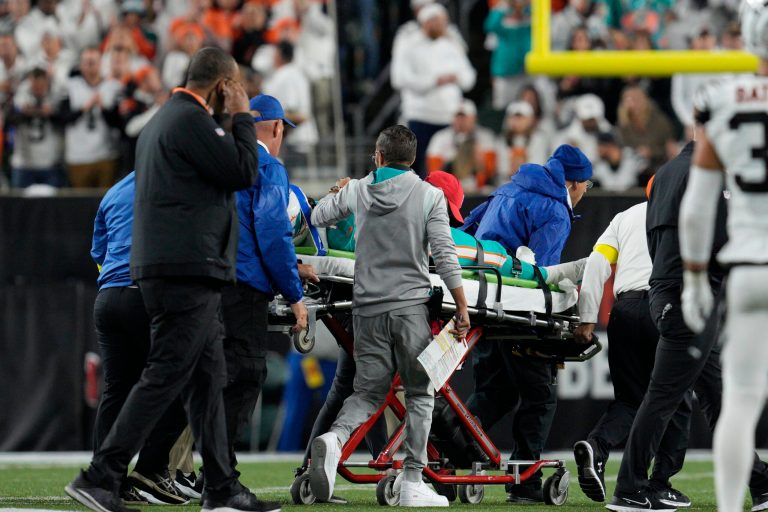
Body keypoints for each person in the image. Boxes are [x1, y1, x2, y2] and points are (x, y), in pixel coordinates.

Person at [64, 47, 278, 512]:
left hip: (174, 268)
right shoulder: (188, 120)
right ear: (223, 87)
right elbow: (243, 171)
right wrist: (244, 119)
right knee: (164, 373)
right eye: (234, 89)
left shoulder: (163, 122)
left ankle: (220, 487)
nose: (237, 97)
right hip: (185, 270)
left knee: (207, 379)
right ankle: (101, 475)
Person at [307, 125, 470, 507]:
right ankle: (413, 479)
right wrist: (461, 306)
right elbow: (445, 255)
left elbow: (317, 217)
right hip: (410, 308)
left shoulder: (359, 189)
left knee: (367, 393)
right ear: (414, 160)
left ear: (378, 157)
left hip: (366, 310)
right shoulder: (430, 195)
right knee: (419, 394)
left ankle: (335, 439)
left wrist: (339, 190)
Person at [607, 139, 768, 510]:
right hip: (692, 299)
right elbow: (724, 243)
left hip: (668, 293)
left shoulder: (665, 174)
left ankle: (760, 481)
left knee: (717, 398)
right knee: (663, 396)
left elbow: (654, 240)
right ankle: (630, 487)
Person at [460, 144, 592, 503]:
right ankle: (525, 481)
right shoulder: (555, 210)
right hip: (518, 314)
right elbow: (540, 274)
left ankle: (445, 457)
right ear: (575, 184)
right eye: (586, 187)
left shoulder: (509, 188)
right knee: (539, 396)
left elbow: (468, 230)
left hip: (482, 303)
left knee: (492, 393)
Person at [679, 4, 768, 511]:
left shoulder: (722, 98)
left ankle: (733, 508)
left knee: (739, 401)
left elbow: (697, 206)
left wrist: (693, 278)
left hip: (750, 267)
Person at [571, 199, 688, 504]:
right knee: (677, 397)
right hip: (664, 305)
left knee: (630, 399)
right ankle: (659, 482)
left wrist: (587, 317)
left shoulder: (626, 215)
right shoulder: (686, 208)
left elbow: (597, 262)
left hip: (624, 311)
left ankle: (597, 446)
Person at [222, 94, 312, 472]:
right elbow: (273, 233)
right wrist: (295, 296)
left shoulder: (217, 160)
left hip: (204, 280)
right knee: (245, 372)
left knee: (202, 373)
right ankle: (219, 473)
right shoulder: (268, 167)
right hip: (243, 286)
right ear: (277, 128)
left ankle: (166, 469)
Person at [90, 171, 189, 506]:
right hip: (146, 293)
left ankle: (105, 479)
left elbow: (98, 253)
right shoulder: (175, 184)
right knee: (184, 379)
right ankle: (152, 468)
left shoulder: (114, 191)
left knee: (116, 390)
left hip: (107, 299)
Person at [390, 3, 476, 177]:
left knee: (450, 169)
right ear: (425, 22)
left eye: (443, 21)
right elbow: (398, 79)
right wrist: (434, 81)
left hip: (449, 117)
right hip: (421, 116)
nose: (441, 25)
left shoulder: (452, 43)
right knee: (417, 168)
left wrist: (455, 77)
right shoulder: (409, 43)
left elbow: (469, 78)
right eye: (435, 21)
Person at [60, 47, 123, 188]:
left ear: (100, 63)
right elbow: (63, 118)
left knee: (105, 202)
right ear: (81, 65)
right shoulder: (71, 86)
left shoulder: (113, 86)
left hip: (106, 154)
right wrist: (84, 108)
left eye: (93, 62)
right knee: (81, 203)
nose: (90, 66)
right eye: (86, 62)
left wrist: (103, 108)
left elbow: (119, 124)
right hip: (78, 155)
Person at [7, 67, 65, 188]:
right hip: (23, 163)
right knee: (20, 205)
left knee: (53, 206)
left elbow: (67, 119)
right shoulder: (20, 96)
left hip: (50, 162)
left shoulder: (57, 95)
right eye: (35, 85)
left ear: (47, 83)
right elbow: (8, 121)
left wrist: (51, 114)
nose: (38, 89)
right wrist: (24, 114)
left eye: (41, 86)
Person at [425, 99, 497, 191]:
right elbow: (434, 172)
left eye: (464, 117)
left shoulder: (485, 136)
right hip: (449, 186)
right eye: (457, 117)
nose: (460, 121)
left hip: (478, 185)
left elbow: (490, 170)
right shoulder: (440, 137)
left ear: (474, 118)